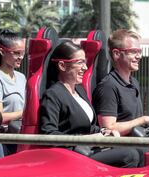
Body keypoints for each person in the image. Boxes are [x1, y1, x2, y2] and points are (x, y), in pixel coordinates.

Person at [39, 40, 142, 168]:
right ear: (62, 66)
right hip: (71, 155)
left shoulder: (80, 90)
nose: (85, 68)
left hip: (89, 149)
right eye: (80, 62)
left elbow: (90, 126)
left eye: (85, 62)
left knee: (139, 149)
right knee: (130, 155)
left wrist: (105, 132)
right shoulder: (53, 94)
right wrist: (89, 138)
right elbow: (48, 134)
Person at [0, 29, 26, 133]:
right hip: (8, 134)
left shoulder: (21, 77)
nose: (21, 57)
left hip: (23, 130)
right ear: (2, 52)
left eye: (23, 53)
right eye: (16, 53)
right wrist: (24, 113)